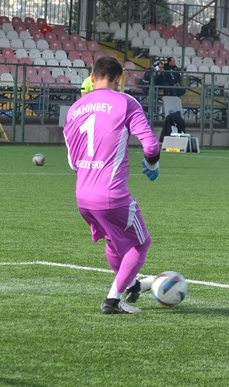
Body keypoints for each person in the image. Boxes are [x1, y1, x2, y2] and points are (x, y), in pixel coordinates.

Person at [62, 56, 161, 315]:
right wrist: (152, 166)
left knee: (113, 242)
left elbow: (73, 161)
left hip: (82, 195)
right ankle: (112, 300)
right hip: (112, 195)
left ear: (92, 77)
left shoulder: (74, 109)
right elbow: (151, 146)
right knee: (140, 244)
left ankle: (132, 284)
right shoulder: (127, 103)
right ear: (119, 79)